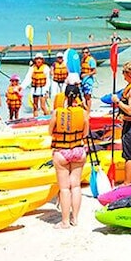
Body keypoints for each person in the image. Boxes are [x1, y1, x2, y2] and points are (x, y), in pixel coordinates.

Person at [49, 82, 90, 228]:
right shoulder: (84, 113)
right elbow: (85, 133)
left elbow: (50, 131)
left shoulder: (57, 112)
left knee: (65, 188)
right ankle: (75, 218)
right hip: (78, 151)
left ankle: (65, 221)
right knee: (76, 186)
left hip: (62, 152)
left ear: (65, 96)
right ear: (78, 96)